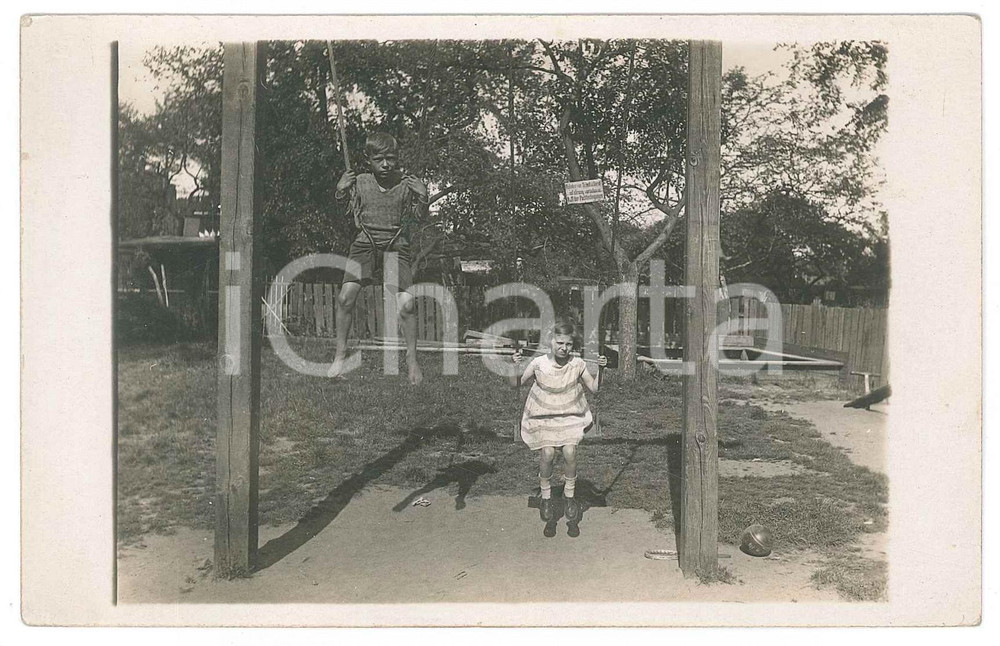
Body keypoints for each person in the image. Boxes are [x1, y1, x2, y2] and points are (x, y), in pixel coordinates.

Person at [331, 132, 428, 384]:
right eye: (379, 159)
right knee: (345, 298)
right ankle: (340, 355)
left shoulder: (406, 184)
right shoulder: (360, 181)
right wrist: (340, 191)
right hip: (365, 243)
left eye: (391, 159)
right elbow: (344, 218)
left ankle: (412, 360)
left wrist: (423, 196)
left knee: (407, 304)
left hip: (396, 244)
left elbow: (418, 220)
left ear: (397, 159)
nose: (386, 165)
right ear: (369, 160)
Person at [513, 321, 607, 537]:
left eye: (569, 344)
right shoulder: (538, 363)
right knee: (547, 453)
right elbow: (516, 384)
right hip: (543, 415)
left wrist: (601, 369)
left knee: (570, 451)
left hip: (569, 415)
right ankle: (546, 498)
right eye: (560, 343)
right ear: (550, 342)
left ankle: (569, 497)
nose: (564, 348)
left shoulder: (577, 364)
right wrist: (514, 367)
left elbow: (595, 388)